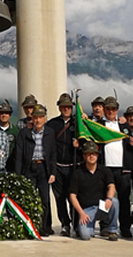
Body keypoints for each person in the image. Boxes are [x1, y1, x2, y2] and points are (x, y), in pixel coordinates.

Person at [15, 104, 56, 237]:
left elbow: (53, 154)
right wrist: (18, 174)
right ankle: (29, 226)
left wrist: (53, 172)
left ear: (45, 118)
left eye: (41, 117)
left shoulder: (50, 132)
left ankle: (44, 226)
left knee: (44, 199)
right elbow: (19, 155)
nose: (38, 120)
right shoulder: (24, 133)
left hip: (44, 168)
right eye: (35, 117)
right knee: (29, 198)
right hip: (29, 168)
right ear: (32, 119)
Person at [99, 97, 133, 238]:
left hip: (123, 169)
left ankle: (125, 227)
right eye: (108, 109)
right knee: (105, 199)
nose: (110, 111)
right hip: (105, 168)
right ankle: (105, 226)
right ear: (104, 110)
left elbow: (132, 144)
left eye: (113, 109)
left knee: (124, 199)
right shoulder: (98, 125)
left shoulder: (124, 126)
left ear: (117, 110)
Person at [69, 141, 119, 241]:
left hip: (101, 206)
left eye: (94, 153)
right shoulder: (77, 173)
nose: (91, 156)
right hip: (86, 210)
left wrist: (108, 198)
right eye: (88, 154)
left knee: (114, 202)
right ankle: (89, 228)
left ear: (97, 155)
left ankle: (113, 230)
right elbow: (72, 196)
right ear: (84, 156)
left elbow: (112, 186)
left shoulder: (105, 171)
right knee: (85, 236)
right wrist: (81, 213)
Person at [46, 93, 78, 237]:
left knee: (73, 197)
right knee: (59, 198)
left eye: (68, 106)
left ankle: (76, 224)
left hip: (73, 166)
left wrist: (80, 144)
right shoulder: (52, 124)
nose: (66, 109)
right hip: (57, 166)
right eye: (63, 106)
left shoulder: (78, 124)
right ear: (59, 107)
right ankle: (65, 224)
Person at [0, 99, 18, 172]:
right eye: (2, 113)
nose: (4, 115)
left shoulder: (15, 130)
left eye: (6, 113)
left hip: (12, 165)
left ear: (10, 115)